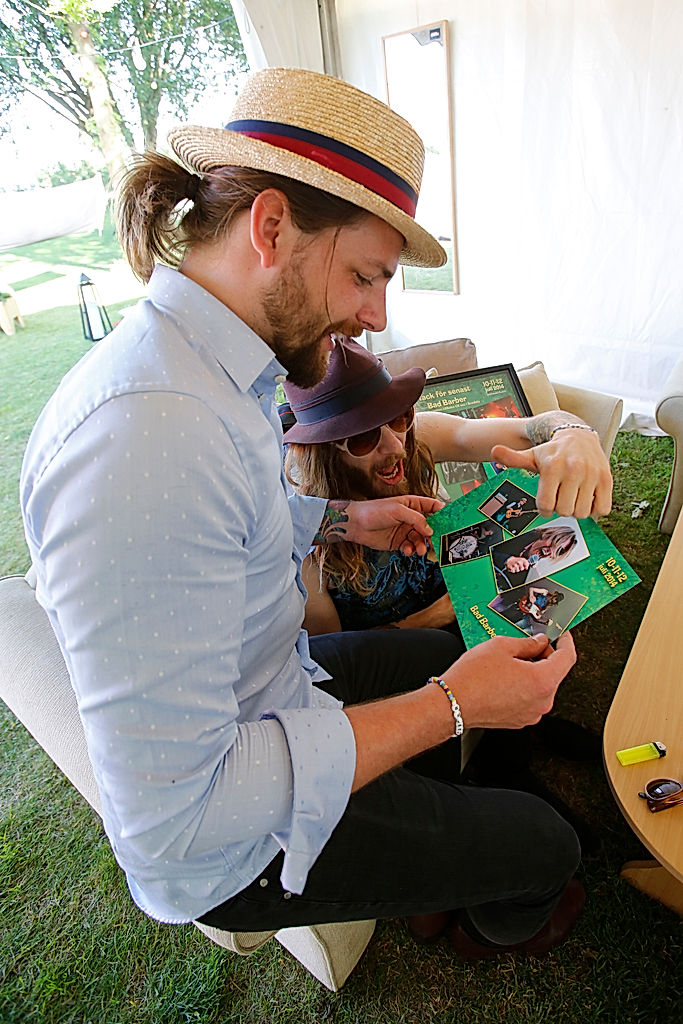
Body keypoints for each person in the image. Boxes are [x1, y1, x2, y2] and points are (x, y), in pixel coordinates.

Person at [21, 67, 587, 959]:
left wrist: (338, 524)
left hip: (281, 679)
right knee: (550, 844)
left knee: (450, 647)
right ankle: (491, 917)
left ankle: (432, 865)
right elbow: (181, 814)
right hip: (239, 847)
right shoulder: (143, 438)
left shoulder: (221, 372)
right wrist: (446, 709)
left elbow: (233, 524)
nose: (374, 314)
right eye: (366, 275)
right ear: (272, 225)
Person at [283, 337, 612, 634]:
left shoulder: (416, 436)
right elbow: (337, 662)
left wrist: (571, 432)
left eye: (398, 418)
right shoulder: (305, 541)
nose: (395, 446)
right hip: (413, 656)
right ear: (323, 453)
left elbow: (528, 429)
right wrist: (435, 617)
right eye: (363, 438)